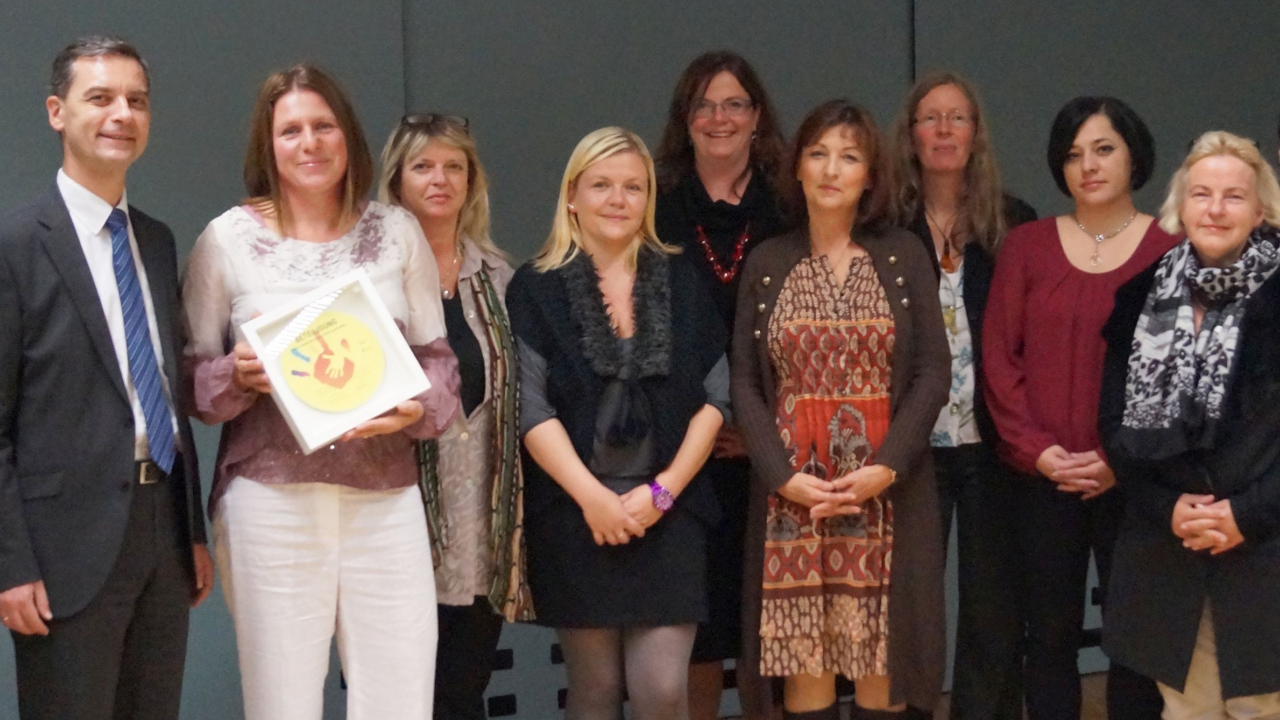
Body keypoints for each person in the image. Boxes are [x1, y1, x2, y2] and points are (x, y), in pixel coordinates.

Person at [182, 63, 460, 720]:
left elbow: (439, 365)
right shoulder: (226, 240)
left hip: (385, 498)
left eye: (323, 126)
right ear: (268, 144)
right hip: (269, 502)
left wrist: (416, 408)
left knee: (400, 699)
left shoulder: (396, 233)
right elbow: (192, 381)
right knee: (281, 704)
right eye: (291, 130)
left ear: (347, 135)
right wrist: (237, 378)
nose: (309, 143)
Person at [0, 36, 213, 720]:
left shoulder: (157, 240)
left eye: (137, 100)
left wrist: (192, 530)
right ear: (56, 112)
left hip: (162, 534)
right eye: (101, 98)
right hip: (63, 547)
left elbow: (164, 391)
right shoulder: (15, 245)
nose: (123, 113)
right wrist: (10, 564)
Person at [732, 99, 950, 720]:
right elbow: (745, 379)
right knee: (807, 667)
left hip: (885, 493)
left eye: (849, 157)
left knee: (883, 667)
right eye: (818, 154)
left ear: (870, 175)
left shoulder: (904, 254)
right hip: (793, 499)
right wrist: (781, 476)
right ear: (797, 167)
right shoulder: (767, 261)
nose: (831, 170)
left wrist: (887, 466)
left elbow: (933, 371)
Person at [506, 126, 729, 720]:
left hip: (671, 511)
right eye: (601, 185)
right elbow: (531, 408)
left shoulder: (682, 278)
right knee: (596, 690)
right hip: (578, 515)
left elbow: (716, 399)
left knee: (661, 690)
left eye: (633, 187)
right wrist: (594, 499)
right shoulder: (535, 287)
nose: (617, 199)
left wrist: (664, 491)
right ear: (572, 196)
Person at [982, 96, 1176, 720]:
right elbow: (999, 361)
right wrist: (1039, 452)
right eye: (1073, 154)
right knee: (1048, 637)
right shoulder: (1026, 246)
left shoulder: (1171, 248)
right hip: (1042, 477)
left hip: (1137, 480)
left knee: (1135, 641)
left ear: (1134, 155)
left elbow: (1178, 372)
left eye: (1103, 149)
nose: (1088, 165)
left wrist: (1122, 459)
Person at [1100, 130, 1280, 719]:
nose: (1216, 209)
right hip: (1169, 550)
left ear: (1260, 210)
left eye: (1234, 196)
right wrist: (1169, 508)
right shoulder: (1139, 296)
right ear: (1181, 205)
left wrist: (1245, 515)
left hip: (1265, 548)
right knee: (1186, 712)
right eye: (1202, 194)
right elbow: (1113, 426)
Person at [886, 71, 1036, 720]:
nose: (944, 129)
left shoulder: (1014, 223)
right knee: (911, 606)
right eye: (930, 117)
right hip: (911, 448)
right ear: (911, 135)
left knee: (992, 608)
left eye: (958, 117)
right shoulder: (886, 227)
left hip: (992, 444)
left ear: (976, 134)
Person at [377, 112, 532, 720]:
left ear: (472, 181)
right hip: (398, 515)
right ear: (396, 180)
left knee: (463, 691)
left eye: (453, 167)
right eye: (423, 166)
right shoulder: (372, 277)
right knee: (399, 694)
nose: (439, 179)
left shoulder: (499, 278)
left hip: (482, 526)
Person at [652, 49, 789, 720]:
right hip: (683, 454)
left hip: (777, 450)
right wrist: (705, 430)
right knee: (698, 624)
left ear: (757, 116)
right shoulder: (654, 206)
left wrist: (760, 430)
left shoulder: (790, 205)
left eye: (734, 104)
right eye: (704, 105)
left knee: (772, 623)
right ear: (686, 118)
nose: (719, 118)